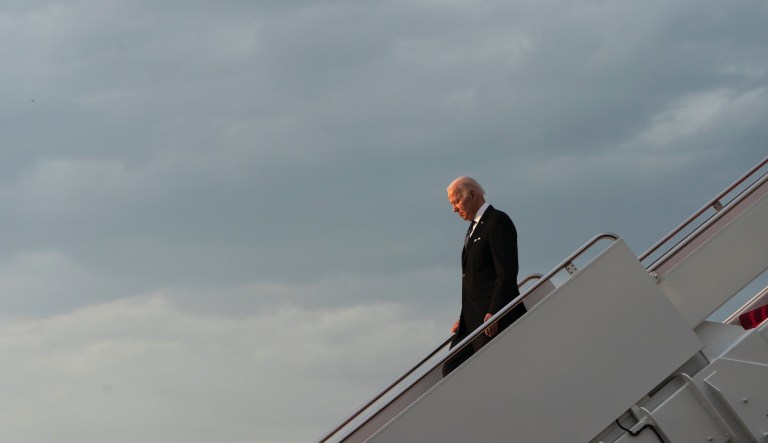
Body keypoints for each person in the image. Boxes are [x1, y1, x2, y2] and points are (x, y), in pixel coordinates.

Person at [442, 176, 527, 376]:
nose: (454, 208)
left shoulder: (497, 220)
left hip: (491, 320)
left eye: (456, 201)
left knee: (490, 374)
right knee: (451, 370)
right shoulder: (473, 228)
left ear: (472, 195)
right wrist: (463, 317)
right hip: (471, 320)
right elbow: (475, 278)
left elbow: (506, 271)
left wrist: (496, 310)